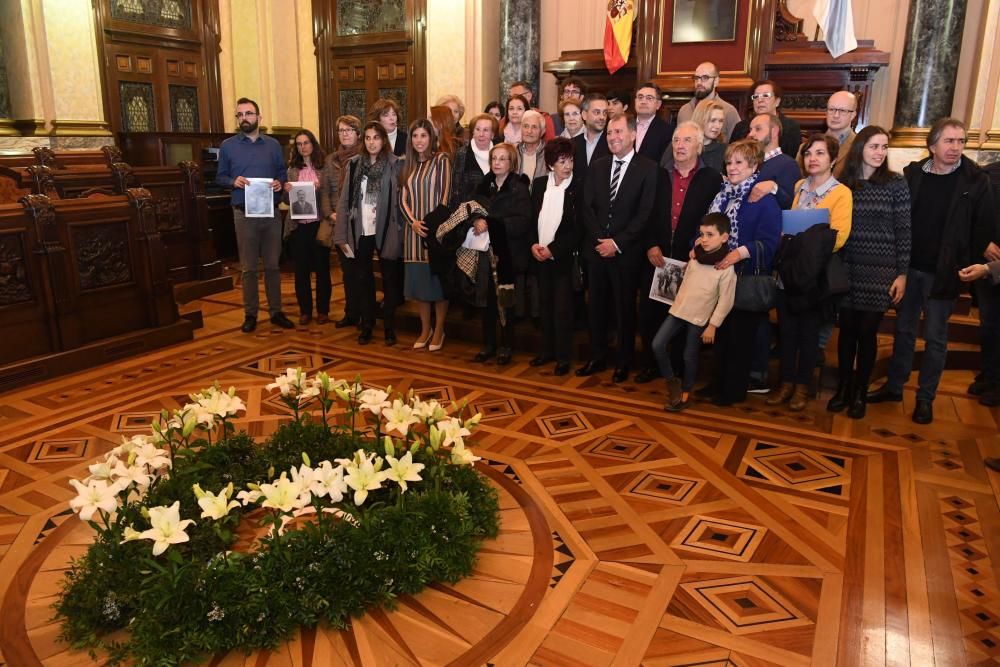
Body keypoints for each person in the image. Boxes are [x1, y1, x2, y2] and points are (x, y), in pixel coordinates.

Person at [868, 118, 998, 424]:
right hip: (910, 270)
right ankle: (895, 387)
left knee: (937, 339)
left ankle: (925, 398)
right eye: (949, 141)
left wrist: (971, 264)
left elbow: (984, 227)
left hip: (945, 273)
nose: (956, 148)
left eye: (961, 141)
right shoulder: (913, 175)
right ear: (932, 145)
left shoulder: (976, 181)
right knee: (903, 331)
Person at [826, 125, 910, 419]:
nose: (879, 153)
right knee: (846, 332)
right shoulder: (843, 184)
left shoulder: (895, 183)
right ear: (861, 148)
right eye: (874, 146)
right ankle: (844, 388)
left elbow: (904, 230)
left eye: (884, 147)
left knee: (867, 333)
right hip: (848, 267)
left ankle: (860, 391)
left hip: (880, 271)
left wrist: (902, 274)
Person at [768, 134, 852, 412]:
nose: (812, 159)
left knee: (808, 335)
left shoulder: (841, 193)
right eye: (808, 154)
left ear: (832, 159)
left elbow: (838, 237)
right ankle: (786, 383)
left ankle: (803, 386)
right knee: (787, 332)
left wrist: (800, 238)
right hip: (789, 271)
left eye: (819, 153)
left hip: (814, 275)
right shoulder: (798, 186)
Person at [576, 113, 658, 383]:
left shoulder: (648, 168)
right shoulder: (597, 166)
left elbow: (645, 213)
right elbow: (586, 207)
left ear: (633, 135)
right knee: (595, 308)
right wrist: (601, 240)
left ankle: (623, 361)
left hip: (626, 254)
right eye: (610, 133)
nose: (612, 137)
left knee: (624, 311)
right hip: (597, 251)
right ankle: (597, 356)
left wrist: (617, 243)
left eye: (618, 132)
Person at [638, 121, 722, 384]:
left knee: (682, 315)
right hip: (658, 257)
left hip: (691, 260)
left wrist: (697, 250)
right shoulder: (659, 175)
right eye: (676, 140)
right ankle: (651, 366)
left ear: (699, 146)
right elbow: (646, 213)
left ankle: (676, 370)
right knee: (651, 314)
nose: (680, 145)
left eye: (687, 140)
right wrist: (651, 243)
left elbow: (713, 219)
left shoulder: (711, 178)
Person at [702, 139, 782, 405]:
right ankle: (716, 384)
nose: (732, 167)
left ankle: (732, 391)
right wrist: (698, 243)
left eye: (739, 162)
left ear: (753, 165)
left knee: (739, 339)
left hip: (745, 278)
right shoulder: (721, 195)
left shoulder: (763, 200)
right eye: (729, 162)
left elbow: (770, 243)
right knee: (721, 336)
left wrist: (738, 253)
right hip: (718, 276)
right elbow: (708, 228)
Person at [216, 97, 293, 333]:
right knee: (249, 268)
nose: (244, 118)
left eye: (249, 114)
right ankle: (250, 314)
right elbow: (220, 177)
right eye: (240, 115)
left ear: (259, 118)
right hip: (244, 214)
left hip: (270, 213)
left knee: (272, 266)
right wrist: (232, 181)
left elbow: (281, 173)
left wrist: (280, 183)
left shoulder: (272, 145)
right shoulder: (228, 146)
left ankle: (276, 311)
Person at [653, 213, 737, 411]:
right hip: (679, 310)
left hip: (699, 318)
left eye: (710, 235)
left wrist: (713, 325)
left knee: (689, 356)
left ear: (724, 237)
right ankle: (672, 381)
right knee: (657, 344)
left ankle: (684, 394)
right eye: (702, 234)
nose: (704, 239)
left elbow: (726, 300)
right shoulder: (695, 256)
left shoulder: (725, 268)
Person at [335, 122, 403, 346]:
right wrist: (341, 234)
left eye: (376, 137)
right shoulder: (354, 165)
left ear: (384, 140)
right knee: (363, 279)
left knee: (390, 280)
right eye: (368, 138)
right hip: (361, 230)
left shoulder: (395, 164)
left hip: (386, 229)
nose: (372, 142)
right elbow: (345, 201)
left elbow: (401, 201)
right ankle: (367, 324)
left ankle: (390, 327)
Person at [467, 143, 531, 365]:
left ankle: (506, 345)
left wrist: (492, 224)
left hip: (507, 254)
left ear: (511, 162)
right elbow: (471, 210)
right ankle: (488, 344)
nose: (497, 163)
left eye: (503, 159)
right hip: (484, 252)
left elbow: (523, 222)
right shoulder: (484, 185)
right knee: (486, 302)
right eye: (494, 158)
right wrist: (476, 220)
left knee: (506, 301)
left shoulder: (519, 187)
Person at [530, 138, 581, 376]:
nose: (567, 165)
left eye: (570, 160)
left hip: (563, 258)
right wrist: (534, 245)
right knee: (545, 306)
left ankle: (563, 357)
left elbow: (577, 229)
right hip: (539, 256)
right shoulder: (540, 185)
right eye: (562, 161)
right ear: (551, 164)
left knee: (562, 310)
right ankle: (546, 351)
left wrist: (553, 249)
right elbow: (532, 219)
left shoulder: (577, 187)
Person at [400, 118, 452, 351]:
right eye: (415, 136)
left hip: (436, 232)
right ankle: (425, 328)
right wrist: (413, 223)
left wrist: (428, 226)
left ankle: (439, 329)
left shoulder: (441, 160)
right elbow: (402, 200)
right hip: (413, 234)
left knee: (438, 286)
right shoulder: (408, 165)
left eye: (423, 135)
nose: (419, 140)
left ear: (431, 138)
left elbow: (445, 198)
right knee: (420, 286)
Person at [284, 130, 330, 325]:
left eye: (306, 142)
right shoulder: (292, 170)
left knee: (322, 270)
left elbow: (330, 193)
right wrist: (287, 192)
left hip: (319, 224)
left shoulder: (324, 167)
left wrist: (320, 189)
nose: (303, 146)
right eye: (299, 144)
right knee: (301, 271)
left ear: (313, 144)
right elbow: (287, 201)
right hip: (299, 226)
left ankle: (323, 310)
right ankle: (305, 311)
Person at [321, 115, 362, 328]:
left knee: (361, 270)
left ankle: (365, 312)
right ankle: (351, 312)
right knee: (346, 271)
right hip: (339, 224)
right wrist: (331, 214)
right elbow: (325, 191)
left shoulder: (366, 156)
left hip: (360, 222)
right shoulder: (331, 160)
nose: (344, 134)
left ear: (358, 133)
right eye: (341, 130)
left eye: (349, 130)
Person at [730, 79, 802, 159]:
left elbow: (792, 158)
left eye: (765, 95)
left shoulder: (790, 127)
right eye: (756, 97)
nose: (760, 100)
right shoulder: (741, 127)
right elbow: (731, 156)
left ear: (777, 101)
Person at [745, 113, 800, 209]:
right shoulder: (747, 162)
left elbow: (790, 205)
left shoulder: (788, 164)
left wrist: (774, 188)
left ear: (774, 131)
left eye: (758, 129)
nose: (751, 134)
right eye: (750, 130)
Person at [676, 62, 741, 140]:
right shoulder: (684, 110)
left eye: (705, 78)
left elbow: (737, 145)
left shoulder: (729, 111)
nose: (699, 82)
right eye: (696, 78)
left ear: (716, 81)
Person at [450, 113, 497, 209]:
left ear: (492, 134)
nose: (481, 134)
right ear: (473, 133)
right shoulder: (462, 154)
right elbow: (456, 191)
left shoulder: (500, 153)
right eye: (478, 129)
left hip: (495, 213)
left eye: (486, 130)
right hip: (469, 215)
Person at [572, 93, 610, 183]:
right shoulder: (572, 144)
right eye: (597, 112)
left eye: (605, 113)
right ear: (584, 115)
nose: (602, 117)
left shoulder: (612, 143)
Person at [634, 82, 673, 163]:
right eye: (640, 97)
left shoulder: (667, 131)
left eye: (649, 98)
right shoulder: (625, 126)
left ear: (658, 104)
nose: (643, 101)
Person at [688, 99, 727, 174]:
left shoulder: (725, 150)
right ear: (700, 119)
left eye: (721, 121)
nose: (717, 126)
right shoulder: (682, 145)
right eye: (712, 120)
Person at [518, 110, 548, 186]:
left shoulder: (549, 154)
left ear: (542, 131)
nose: (529, 131)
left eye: (534, 127)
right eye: (526, 126)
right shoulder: (513, 153)